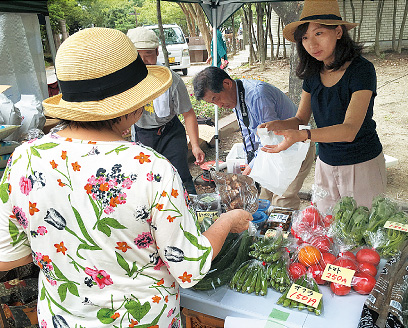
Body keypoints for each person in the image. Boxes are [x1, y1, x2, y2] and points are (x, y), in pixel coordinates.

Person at [0, 27, 252, 328]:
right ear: (131, 105)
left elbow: (8, 256)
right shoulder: (151, 168)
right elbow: (188, 268)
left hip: (63, 319)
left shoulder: (24, 158)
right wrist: (227, 221)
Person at [261, 0, 386, 213]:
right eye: (305, 38)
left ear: (338, 32)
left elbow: (349, 130)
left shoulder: (361, 71)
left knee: (363, 230)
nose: (311, 44)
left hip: (361, 162)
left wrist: (303, 136)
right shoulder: (313, 73)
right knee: (328, 226)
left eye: (319, 34)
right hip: (326, 163)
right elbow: (300, 119)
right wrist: (277, 125)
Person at [193, 66, 315, 210]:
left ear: (227, 84)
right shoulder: (237, 96)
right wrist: (249, 167)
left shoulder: (257, 95)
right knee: (263, 199)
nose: (219, 105)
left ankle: (283, 232)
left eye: (216, 99)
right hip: (273, 152)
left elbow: (271, 138)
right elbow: (249, 135)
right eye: (213, 103)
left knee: (282, 202)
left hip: (294, 149)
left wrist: (249, 169)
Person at [127, 26, 204, 195]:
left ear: (156, 51)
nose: (143, 60)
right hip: (142, 134)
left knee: (180, 176)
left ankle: (191, 209)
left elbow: (188, 113)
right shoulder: (127, 81)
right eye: (138, 55)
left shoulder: (171, 80)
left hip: (170, 133)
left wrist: (196, 146)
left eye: (148, 54)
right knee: (148, 179)